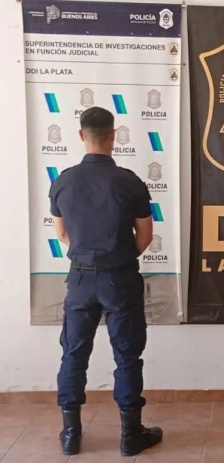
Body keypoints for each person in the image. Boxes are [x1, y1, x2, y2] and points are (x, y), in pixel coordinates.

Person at [49, 107, 162, 456]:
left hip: (80, 278)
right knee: (127, 356)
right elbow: (145, 236)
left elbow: (63, 234)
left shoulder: (63, 181)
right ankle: (130, 436)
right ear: (113, 136)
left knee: (73, 354)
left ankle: (71, 434)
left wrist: (90, 254)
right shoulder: (130, 182)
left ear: (81, 135)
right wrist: (118, 257)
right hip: (120, 277)